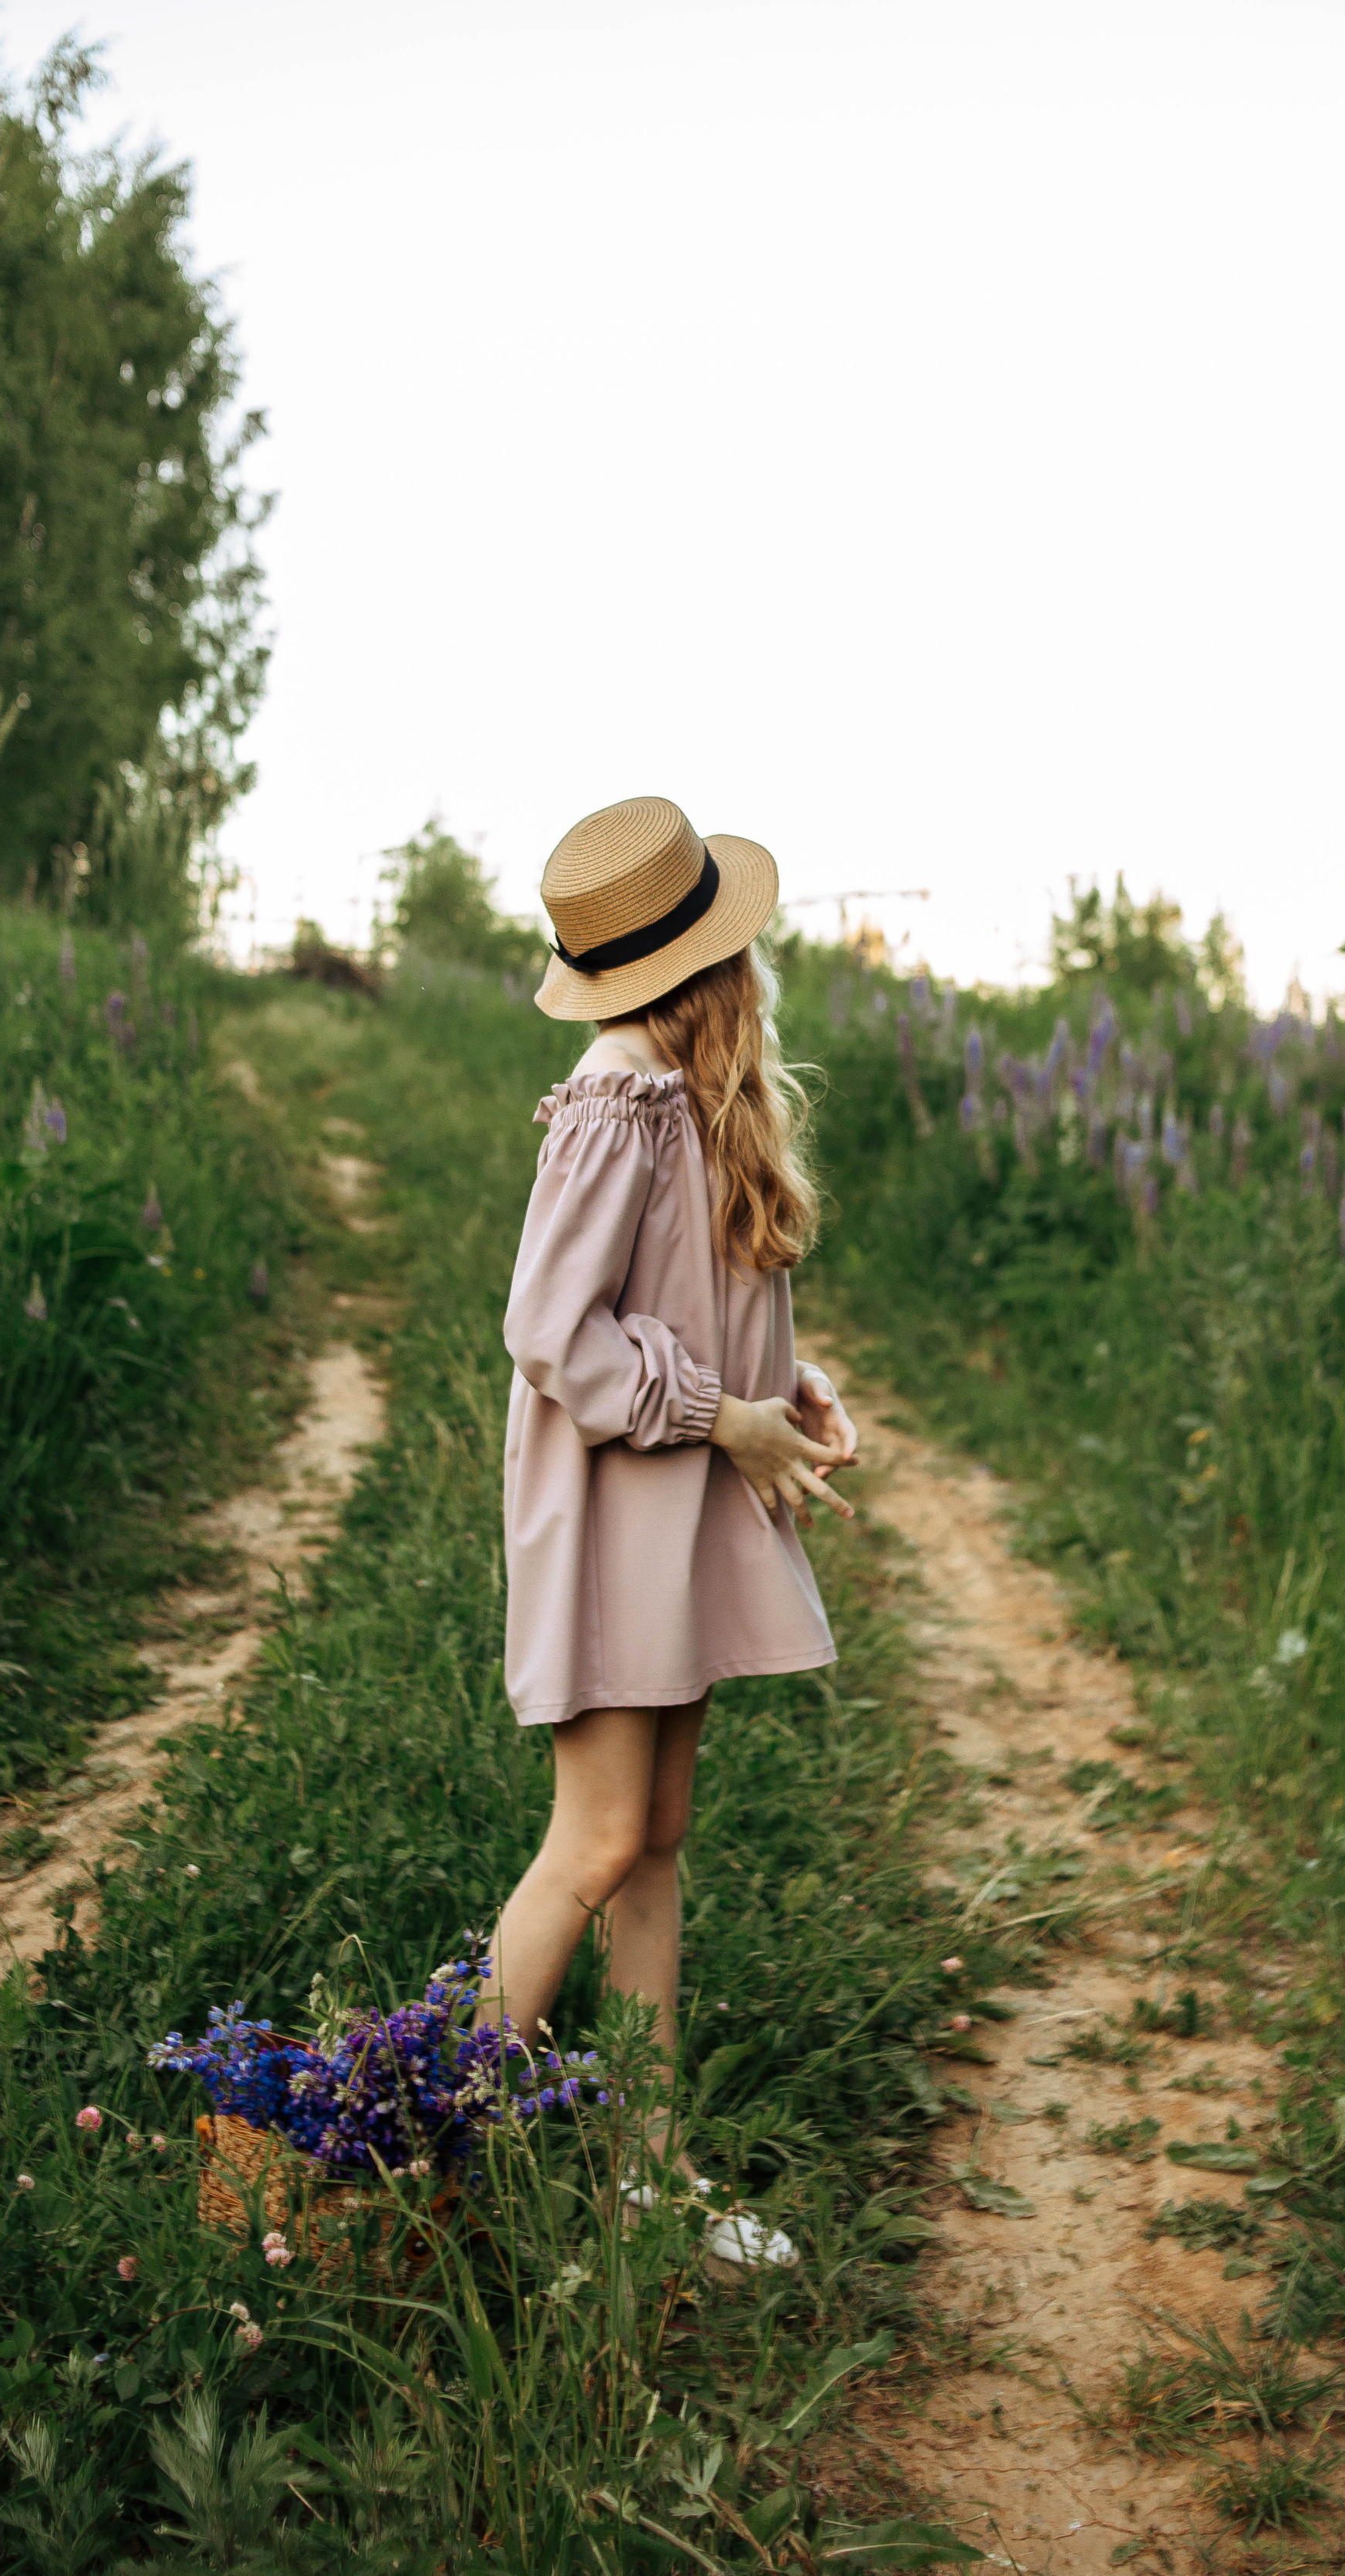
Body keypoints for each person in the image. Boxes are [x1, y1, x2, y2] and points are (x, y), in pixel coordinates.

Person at [483, 795, 857, 2268]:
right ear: (707, 960)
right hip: (616, 1513)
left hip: (682, 1506)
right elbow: (550, 1335)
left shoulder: (685, 1088)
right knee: (596, 1839)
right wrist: (723, 1420)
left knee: (658, 1844)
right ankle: (394, 2136)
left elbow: (699, 1303)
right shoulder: (615, 1098)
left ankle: (647, 2178)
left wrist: (794, 1397)